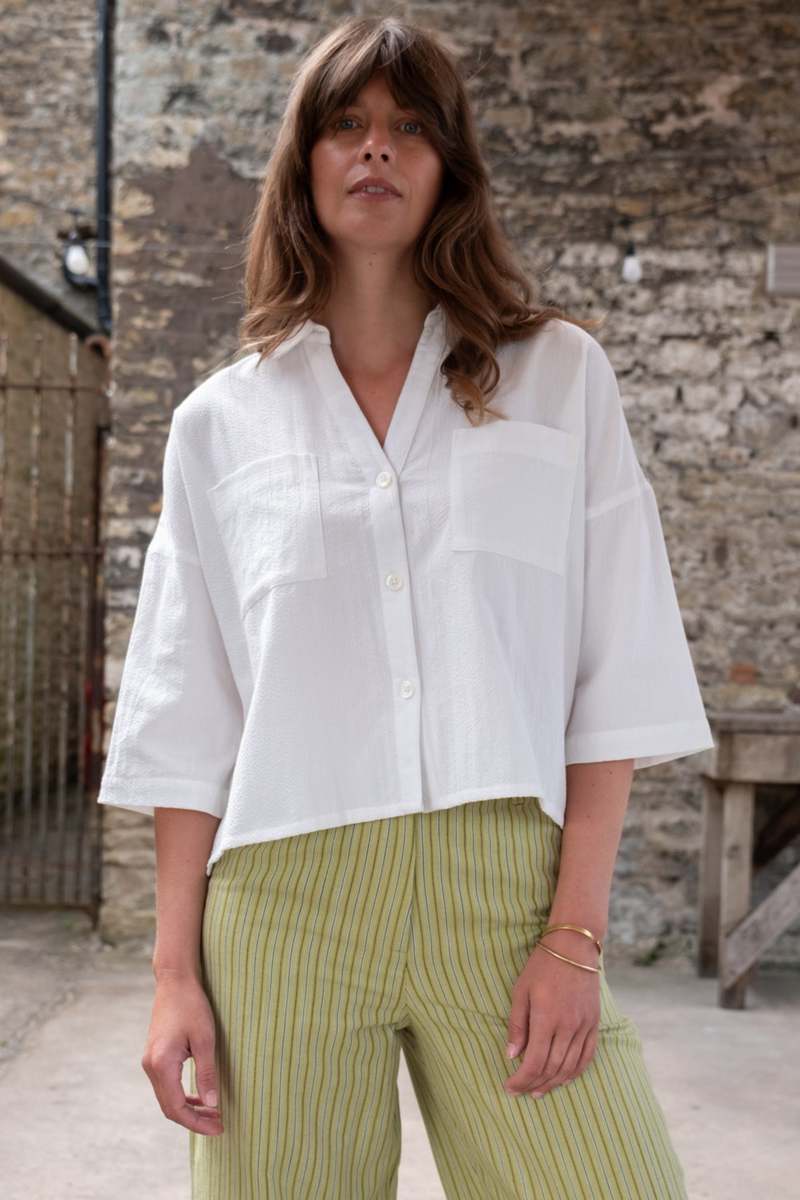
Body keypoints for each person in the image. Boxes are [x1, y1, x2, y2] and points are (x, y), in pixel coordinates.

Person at [98, 15, 714, 1199]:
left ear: (447, 169)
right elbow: (188, 713)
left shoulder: (557, 378)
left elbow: (615, 668)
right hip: (281, 904)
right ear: (304, 165)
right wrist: (174, 976)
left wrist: (573, 935)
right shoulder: (218, 426)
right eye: (346, 124)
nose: (375, 148)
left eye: (408, 128)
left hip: (506, 892)